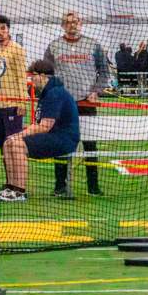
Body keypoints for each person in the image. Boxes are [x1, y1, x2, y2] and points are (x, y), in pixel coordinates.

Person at [0, 60, 80, 202]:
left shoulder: (55, 93)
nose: (32, 79)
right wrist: (18, 134)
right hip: (52, 136)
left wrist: (20, 134)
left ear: (42, 76)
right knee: (8, 142)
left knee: (17, 144)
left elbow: (45, 126)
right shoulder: (47, 93)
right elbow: (39, 123)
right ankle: (10, 187)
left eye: (33, 75)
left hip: (64, 139)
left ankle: (20, 191)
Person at [44, 11, 109, 196]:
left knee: (90, 145)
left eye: (76, 22)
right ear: (63, 25)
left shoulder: (93, 45)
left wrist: (96, 91)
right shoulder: (54, 47)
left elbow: (104, 73)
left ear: (81, 23)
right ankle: (60, 186)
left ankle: (93, 186)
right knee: (61, 144)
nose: (73, 25)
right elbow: (47, 74)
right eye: (68, 22)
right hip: (62, 105)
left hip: (86, 104)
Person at [0, 15, 28, 152]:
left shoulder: (17, 49)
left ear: (8, 29)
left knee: (14, 145)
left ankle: (15, 174)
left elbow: (21, 76)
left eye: (3, 28)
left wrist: (22, 102)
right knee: (2, 145)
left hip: (12, 104)